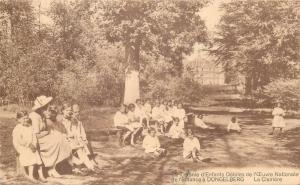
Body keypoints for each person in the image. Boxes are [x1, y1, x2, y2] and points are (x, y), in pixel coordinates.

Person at [30, 95, 71, 178]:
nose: (47, 108)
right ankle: (50, 168)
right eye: (45, 107)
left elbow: (52, 123)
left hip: (43, 137)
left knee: (61, 137)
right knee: (56, 141)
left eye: (46, 106)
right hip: (36, 140)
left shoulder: (42, 115)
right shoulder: (35, 117)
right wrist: (46, 133)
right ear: (40, 108)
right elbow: (35, 135)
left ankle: (54, 166)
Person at [62, 103, 98, 172]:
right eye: (67, 110)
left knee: (81, 147)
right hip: (66, 141)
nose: (69, 112)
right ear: (62, 111)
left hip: (74, 141)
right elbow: (66, 133)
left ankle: (91, 167)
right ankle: (89, 166)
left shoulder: (73, 120)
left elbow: (77, 132)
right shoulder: (62, 121)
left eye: (70, 110)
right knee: (79, 148)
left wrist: (82, 139)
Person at [13, 111, 46, 182]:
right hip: (23, 148)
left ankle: (41, 176)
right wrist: (28, 145)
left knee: (39, 161)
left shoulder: (30, 127)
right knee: (31, 159)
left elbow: (34, 137)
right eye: (24, 119)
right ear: (18, 120)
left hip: (32, 147)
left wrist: (34, 144)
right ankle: (31, 176)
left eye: (27, 118)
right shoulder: (17, 128)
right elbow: (18, 140)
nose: (26, 120)